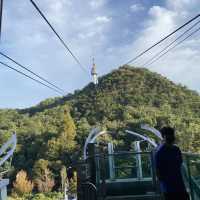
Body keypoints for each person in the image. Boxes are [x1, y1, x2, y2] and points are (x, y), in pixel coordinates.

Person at [154, 127, 189, 200]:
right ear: (163, 136)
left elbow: (158, 171)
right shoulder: (161, 152)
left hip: (175, 186)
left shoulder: (175, 149)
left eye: (171, 134)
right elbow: (158, 171)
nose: (171, 137)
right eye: (169, 135)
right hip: (171, 187)